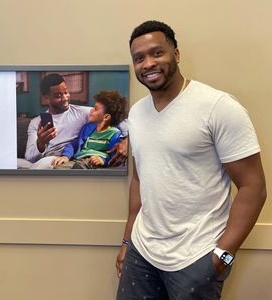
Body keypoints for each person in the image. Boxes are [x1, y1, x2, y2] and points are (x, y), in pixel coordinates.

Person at [116, 20, 266, 300]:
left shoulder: (218, 107)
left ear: (176, 54)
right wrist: (127, 241)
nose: (148, 63)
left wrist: (223, 254)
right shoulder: (136, 114)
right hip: (142, 251)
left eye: (156, 53)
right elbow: (140, 178)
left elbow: (253, 187)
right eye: (139, 58)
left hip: (196, 257)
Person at [19, 73, 128, 169]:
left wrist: (126, 141)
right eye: (58, 95)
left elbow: (117, 117)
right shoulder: (35, 122)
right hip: (47, 158)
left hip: (63, 160)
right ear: (46, 97)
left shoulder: (84, 113)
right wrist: (40, 143)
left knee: (45, 165)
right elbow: (29, 157)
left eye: (66, 92)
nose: (65, 98)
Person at [52, 90, 127, 169]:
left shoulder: (115, 134)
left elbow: (114, 155)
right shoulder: (87, 128)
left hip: (95, 164)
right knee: (58, 168)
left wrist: (103, 160)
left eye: (95, 108)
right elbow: (74, 144)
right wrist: (65, 156)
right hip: (79, 160)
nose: (91, 110)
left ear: (106, 117)